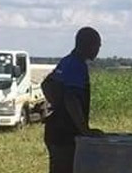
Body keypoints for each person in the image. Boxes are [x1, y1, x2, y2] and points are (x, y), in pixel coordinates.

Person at [43, 27, 103, 173]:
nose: (98, 49)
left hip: (55, 130)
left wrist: (57, 104)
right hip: (65, 134)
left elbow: (46, 84)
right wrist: (84, 130)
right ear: (87, 45)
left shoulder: (66, 61)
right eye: (97, 45)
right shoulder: (77, 66)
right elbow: (71, 99)